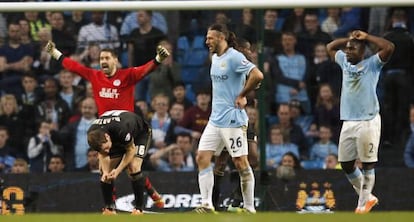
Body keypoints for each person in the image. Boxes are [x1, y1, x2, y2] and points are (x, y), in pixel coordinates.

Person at [45, 38, 170, 209]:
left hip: (129, 130)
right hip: (106, 133)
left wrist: (158, 59)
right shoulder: (95, 76)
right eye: (101, 59)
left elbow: (144, 70)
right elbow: (74, 67)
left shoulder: (127, 75)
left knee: (132, 167)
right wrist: (54, 53)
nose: (103, 61)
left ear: (115, 60)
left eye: (106, 58)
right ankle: (110, 207)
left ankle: (144, 203)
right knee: (105, 171)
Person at [194, 23, 264, 214]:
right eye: (206, 38)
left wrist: (242, 94)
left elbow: (257, 75)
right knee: (202, 157)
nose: (206, 41)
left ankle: (250, 208)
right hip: (215, 120)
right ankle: (207, 204)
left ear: (221, 38)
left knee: (241, 162)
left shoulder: (234, 57)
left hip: (233, 120)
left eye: (210, 38)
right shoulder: (215, 57)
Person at [326, 30, 394, 214]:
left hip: (368, 120)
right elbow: (330, 47)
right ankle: (368, 197)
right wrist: (349, 39)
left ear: (362, 51)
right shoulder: (344, 63)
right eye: (347, 49)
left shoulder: (372, 64)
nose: (347, 52)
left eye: (352, 49)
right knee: (346, 163)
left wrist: (367, 37)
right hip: (348, 120)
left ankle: (362, 204)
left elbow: (389, 47)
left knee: (367, 163)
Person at [87, 110, 152, 215]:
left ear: (107, 137)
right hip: (117, 136)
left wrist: (117, 171)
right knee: (104, 173)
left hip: (140, 134)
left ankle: (138, 209)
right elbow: (102, 153)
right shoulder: (93, 135)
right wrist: (106, 172)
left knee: (134, 167)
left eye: (107, 148)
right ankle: (109, 208)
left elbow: (130, 150)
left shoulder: (120, 129)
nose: (108, 151)